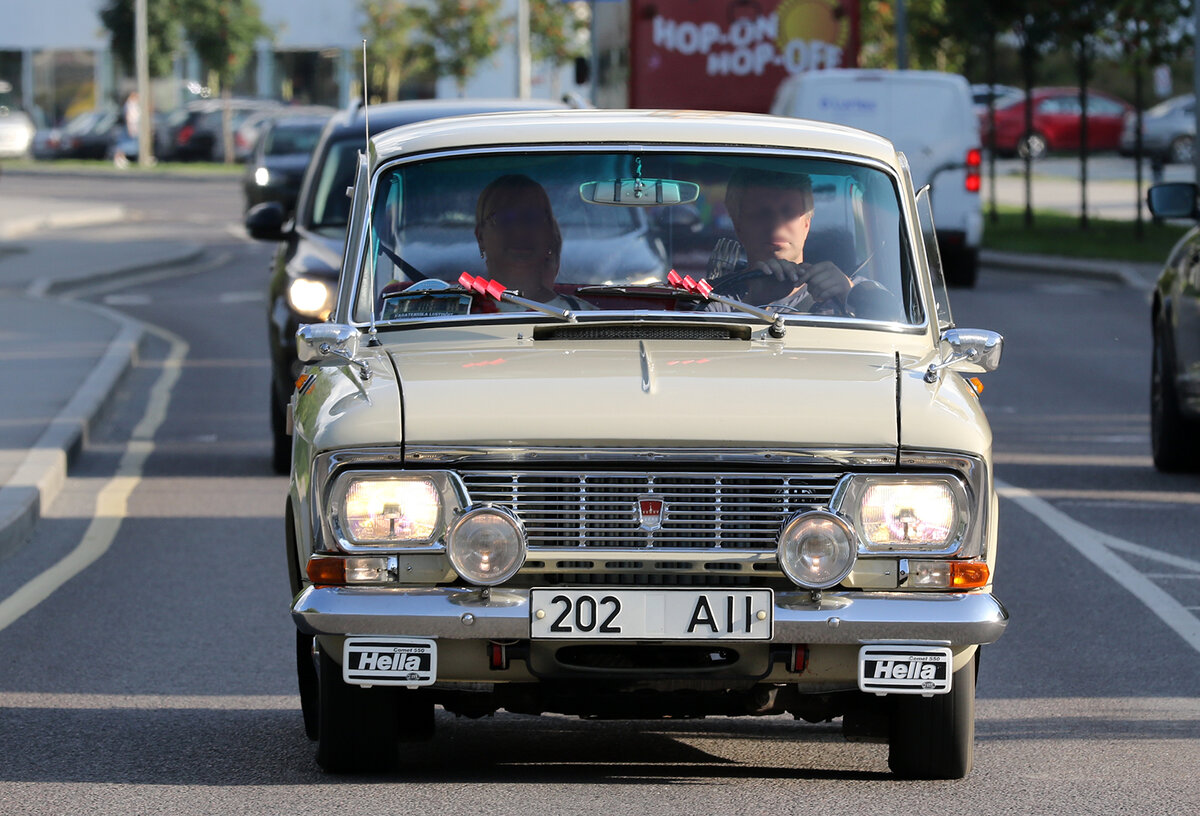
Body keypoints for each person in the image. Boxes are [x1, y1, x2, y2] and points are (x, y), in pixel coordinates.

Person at [710, 167, 853, 313]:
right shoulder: (709, 298)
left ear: (806, 224)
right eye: (762, 214)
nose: (776, 226)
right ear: (738, 226)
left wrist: (852, 297)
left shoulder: (851, 291)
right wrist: (754, 301)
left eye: (789, 213)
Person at [474, 173, 589, 311]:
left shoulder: (587, 316)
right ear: (480, 237)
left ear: (550, 234)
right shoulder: (455, 314)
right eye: (503, 218)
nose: (520, 230)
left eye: (533, 217)